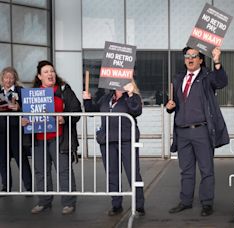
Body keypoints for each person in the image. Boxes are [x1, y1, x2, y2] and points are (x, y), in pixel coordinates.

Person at [166, 47, 229, 217]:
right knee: (186, 170)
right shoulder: (178, 78)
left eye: (194, 56)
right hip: (182, 132)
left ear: (201, 60)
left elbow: (221, 82)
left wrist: (217, 61)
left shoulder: (207, 77)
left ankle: (207, 203)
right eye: (187, 56)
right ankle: (185, 201)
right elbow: (173, 101)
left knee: (206, 169)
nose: (190, 59)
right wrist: (169, 107)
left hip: (201, 131)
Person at [23, 60, 81, 215]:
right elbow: (25, 115)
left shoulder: (63, 90)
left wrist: (65, 118)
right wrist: (24, 120)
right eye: (46, 72)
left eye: (52, 71)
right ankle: (44, 201)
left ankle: (69, 203)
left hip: (59, 138)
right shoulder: (32, 94)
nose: (50, 74)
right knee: (41, 171)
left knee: (63, 170)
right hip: (38, 140)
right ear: (39, 76)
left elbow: (76, 110)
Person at [82, 78, 145, 217]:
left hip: (126, 140)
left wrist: (130, 94)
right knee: (112, 173)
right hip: (108, 140)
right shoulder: (106, 97)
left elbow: (136, 110)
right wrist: (87, 100)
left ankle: (139, 205)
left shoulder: (132, 96)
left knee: (133, 172)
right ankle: (116, 204)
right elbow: (92, 111)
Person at [0, 67, 32, 193]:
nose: (8, 80)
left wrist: (19, 108)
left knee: (21, 158)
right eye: (6, 77)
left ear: (15, 79)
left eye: (11, 77)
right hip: (1, 131)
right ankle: (6, 186)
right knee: (2, 159)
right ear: (2, 79)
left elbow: (29, 109)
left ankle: (28, 187)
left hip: (16, 130)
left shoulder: (21, 91)